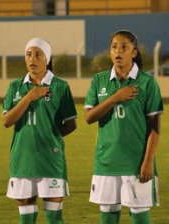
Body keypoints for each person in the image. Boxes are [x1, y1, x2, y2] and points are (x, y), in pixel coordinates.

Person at [85, 30, 163, 224]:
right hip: (106, 162)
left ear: (134, 53)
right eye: (114, 47)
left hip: (136, 163)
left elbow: (155, 128)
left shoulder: (147, 82)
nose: (118, 51)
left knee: (140, 217)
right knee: (108, 217)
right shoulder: (99, 80)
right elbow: (89, 117)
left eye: (124, 47)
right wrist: (115, 98)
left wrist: (147, 162)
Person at [3, 37, 77, 224]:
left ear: (48, 59)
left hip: (50, 160)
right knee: (26, 218)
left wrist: (50, 136)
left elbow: (71, 123)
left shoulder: (60, 86)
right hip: (23, 158)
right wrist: (29, 97)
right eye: (28, 54)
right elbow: (7, 121)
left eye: (38, 54)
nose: (32, 59)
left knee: (54, 217)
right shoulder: (15, 86)